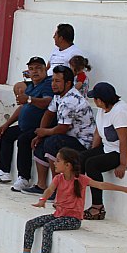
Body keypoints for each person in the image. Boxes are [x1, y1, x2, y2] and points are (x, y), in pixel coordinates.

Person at [12, 148, 127, 253]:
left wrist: (125, 189)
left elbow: (101, 185)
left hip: (73, 219)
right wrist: (42, 200)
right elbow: (49, 190)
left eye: (58, 161)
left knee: (48, 227)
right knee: (31, 223)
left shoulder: (81, 179)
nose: (54, 163)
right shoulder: (58, 178)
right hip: (59, 215)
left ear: (68, 165)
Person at [22, 66, 96, 196]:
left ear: (68, 83)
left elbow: (62, 128)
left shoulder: (70, 100)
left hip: (83, 143)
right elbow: (49, 113)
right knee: (41, 141)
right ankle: (41, 185)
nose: (53, 85)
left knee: (52, 142)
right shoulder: (59, 95)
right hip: (69, 136)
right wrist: (41, 133)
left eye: (57, 81)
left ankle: (58, 189)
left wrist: (44, 132)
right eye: (52, 81)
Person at [0, 57, 54, 191]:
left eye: (39, 68)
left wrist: (28, 99)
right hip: (24, 125)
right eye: (32, 69)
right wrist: (7, 123)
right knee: (7, 133)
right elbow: (22, 107)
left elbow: (47, 101)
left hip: (38, 126)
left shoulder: (47, 84)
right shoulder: (31, 85)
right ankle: (3, 171)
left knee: (23, 140)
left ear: (45, 69)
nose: (35, 72)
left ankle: (24, 178)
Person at [80, 82, 127, 220]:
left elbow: (123, 140)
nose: (94, 101)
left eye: (96, 98)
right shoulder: (102, 109)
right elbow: (98, 133)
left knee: (92, 164)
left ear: (101, 100)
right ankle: (76, 198)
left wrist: (123, 164)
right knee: (80, 158)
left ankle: (97, 208)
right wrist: (93, 151)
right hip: (110, 149)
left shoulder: (120, 112)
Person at [14, 24, 84, 97]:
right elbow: (47, 68)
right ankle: (28, 104)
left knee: (35, 93)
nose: (53, 37)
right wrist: (33, 73)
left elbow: (79, 73)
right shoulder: (55, 50)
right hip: (45, 79)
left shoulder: (75, 52)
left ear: (61, 38)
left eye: (55, 35)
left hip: (56, 82)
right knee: (18, 87)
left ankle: (31, 104)